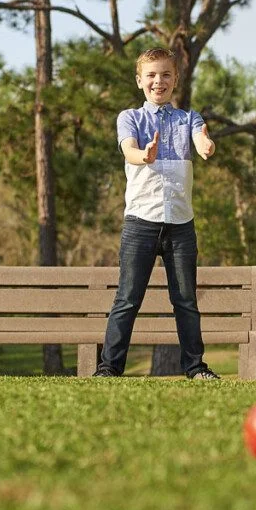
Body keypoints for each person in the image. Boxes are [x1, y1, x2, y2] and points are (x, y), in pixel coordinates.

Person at [94, 48, 220, 380]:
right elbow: (128, 150)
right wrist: (143, 155)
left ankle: (195, 367)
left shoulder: (188, 118)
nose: (158, 81)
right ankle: (109, 368)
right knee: (127, 299)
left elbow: (201, 136)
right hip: (141, 223)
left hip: (181, 225)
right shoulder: (130, 118)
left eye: (165, 74)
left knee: (186, 302)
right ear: (140, 81)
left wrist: (205, 145)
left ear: (175, 79)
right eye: (151, 75)